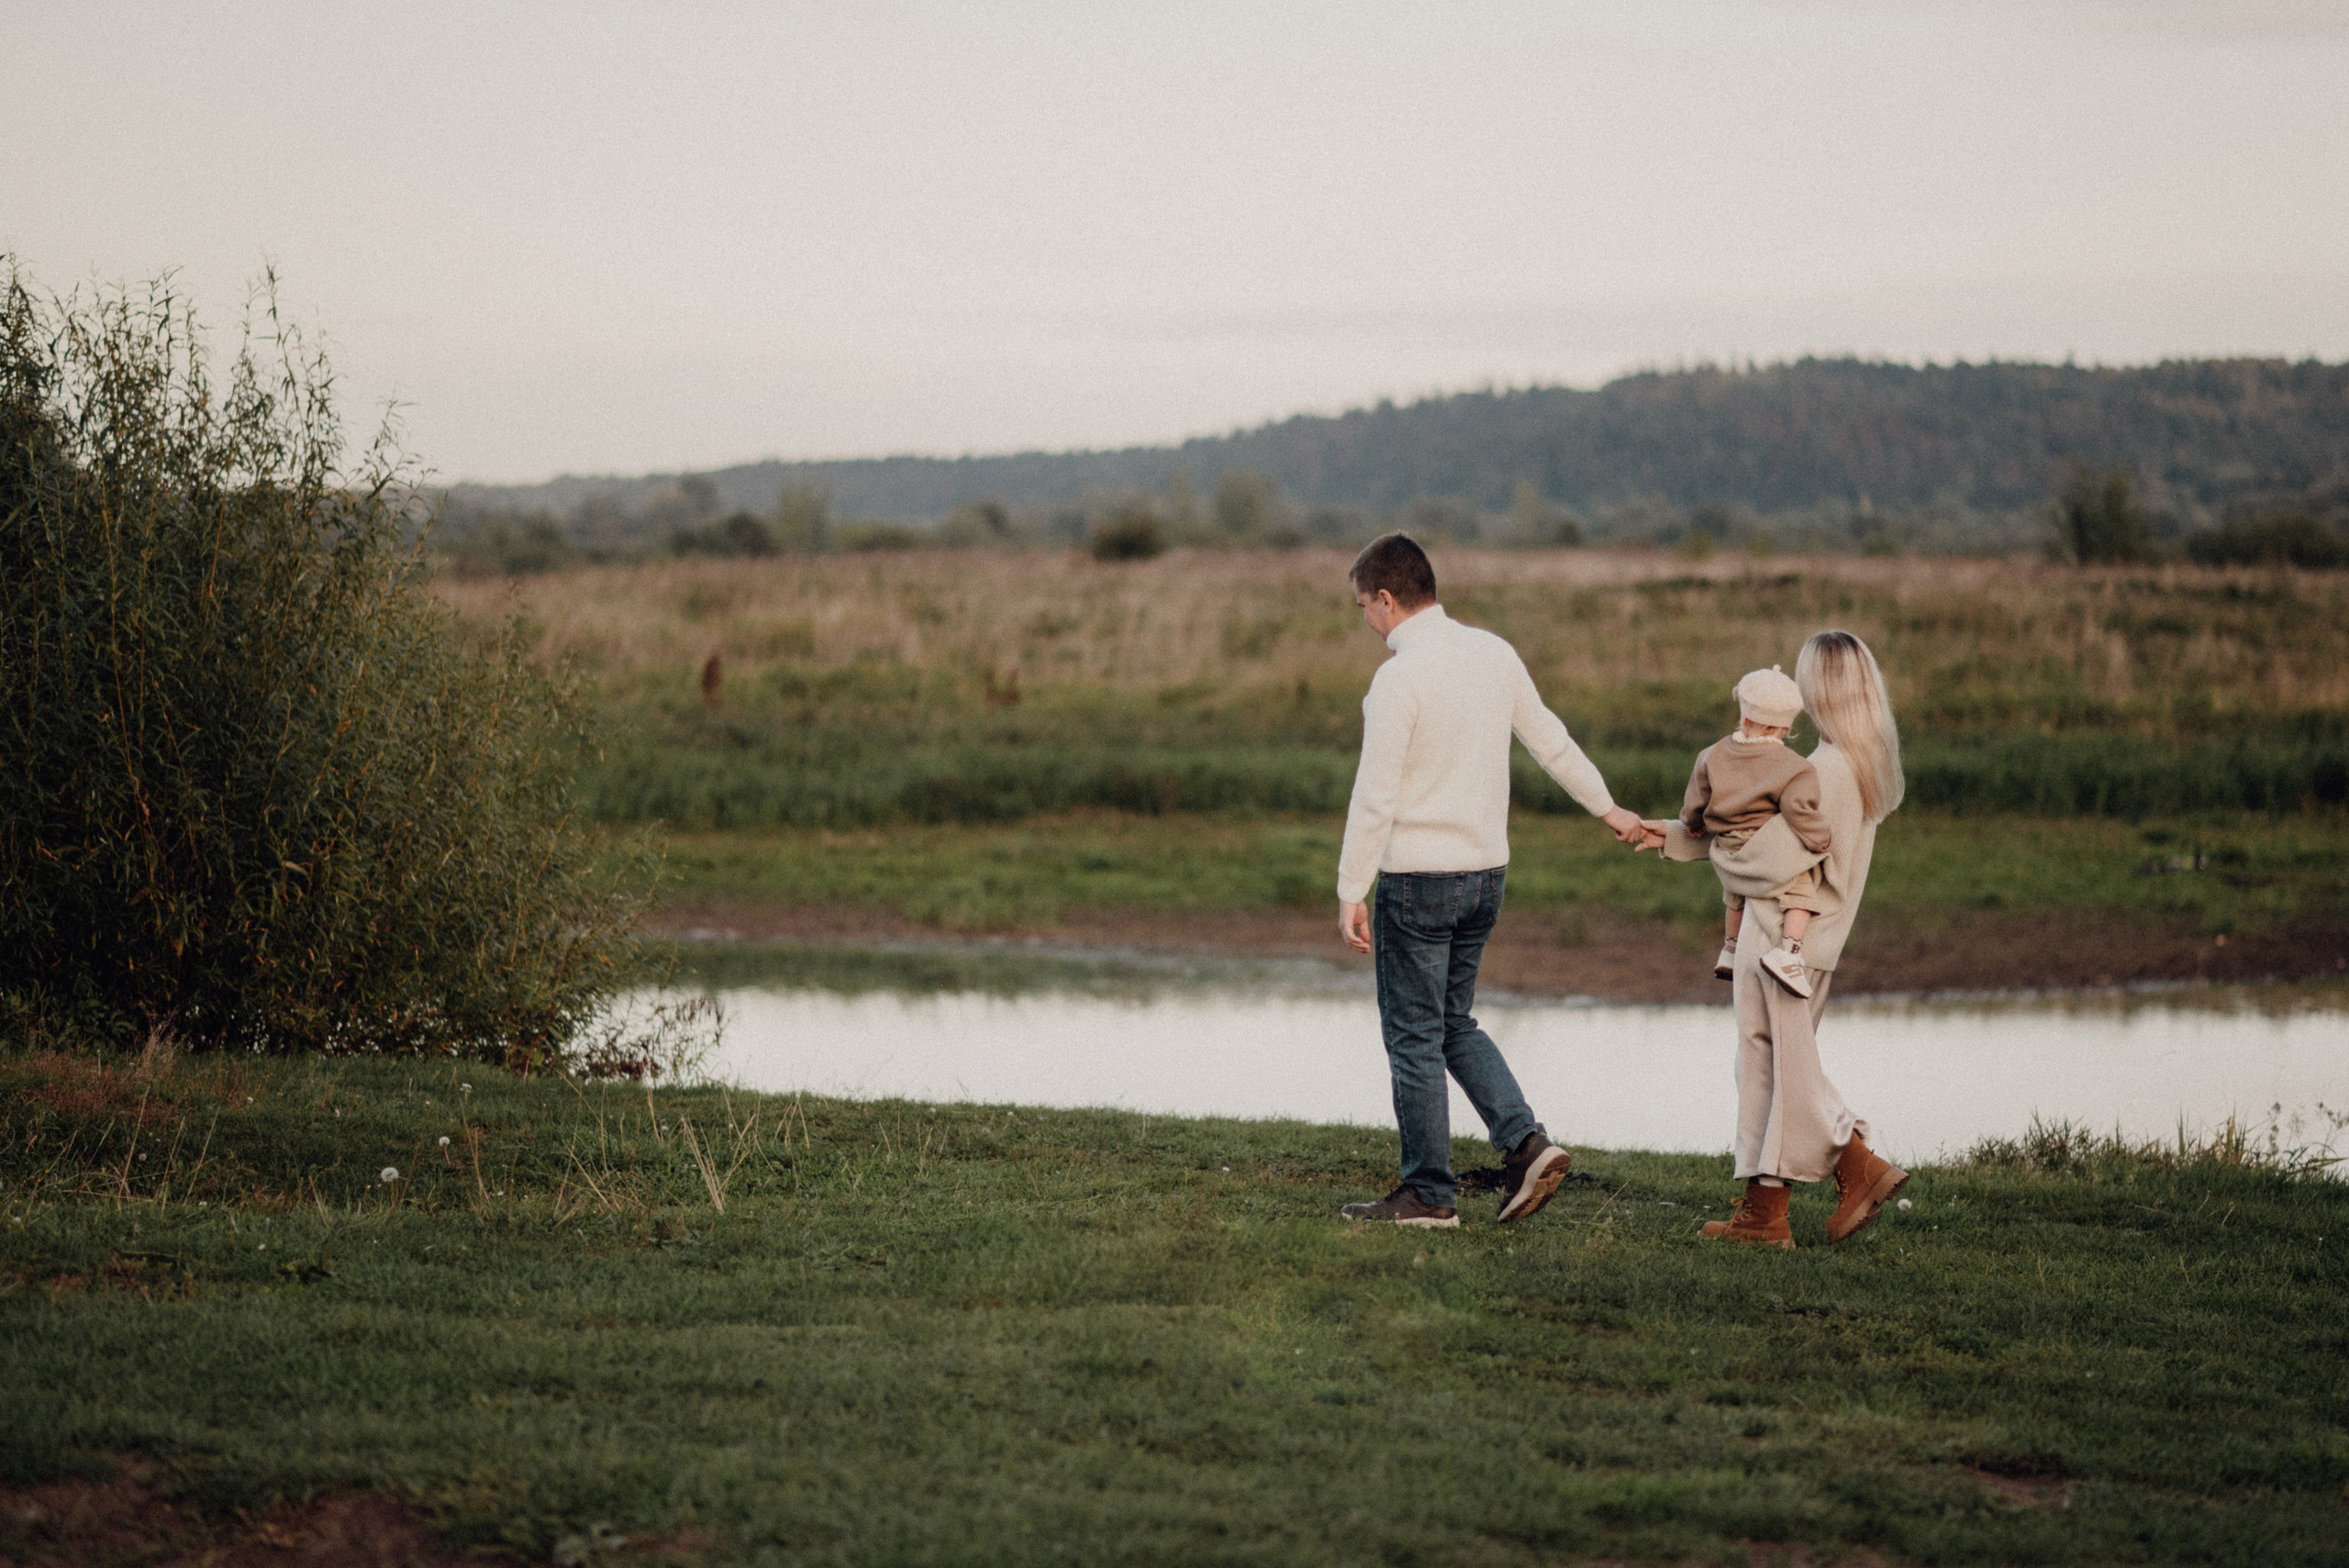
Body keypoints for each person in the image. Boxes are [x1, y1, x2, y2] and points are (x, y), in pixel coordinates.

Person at [1334, 533, 1649, 1229]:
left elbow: (1375, 793)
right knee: (1453, 1022)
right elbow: (1552, 742)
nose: (1365, 620)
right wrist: (1610, 809)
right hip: (1485, 877)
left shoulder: (1398, 679)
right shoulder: (1493, 654)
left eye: (1364, 606)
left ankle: (1428, 1194)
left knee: (1414, 1034)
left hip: (1417, 881)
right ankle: (1526, 1144)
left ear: (1387, 599)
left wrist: (1351, 887)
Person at [1638, 629, 1909, 1250]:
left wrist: (1690, 843)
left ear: (1823, 688)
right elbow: (1756, 840)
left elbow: (1762, 860)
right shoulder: (1857, 763)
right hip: (1814, 940)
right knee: (1770, 1067)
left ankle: (1854, 1166)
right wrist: (1673, 835)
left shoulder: (1822, 769)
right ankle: (1767, 1213)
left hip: (1778, 935)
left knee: (1778, 1070)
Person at [1680, 665, 1831, 997]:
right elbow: (1798, 810)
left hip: (1730, 853)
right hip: (1767, 853)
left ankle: (1730, 950)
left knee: (1734, 898)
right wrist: (1820, 840)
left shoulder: (1711, 755)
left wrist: (1693, 823)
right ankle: (1789, 953)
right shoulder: (1794, 767)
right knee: (1801, 891)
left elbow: (1696, 799)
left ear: (1744, 717)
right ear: (1788, 725)